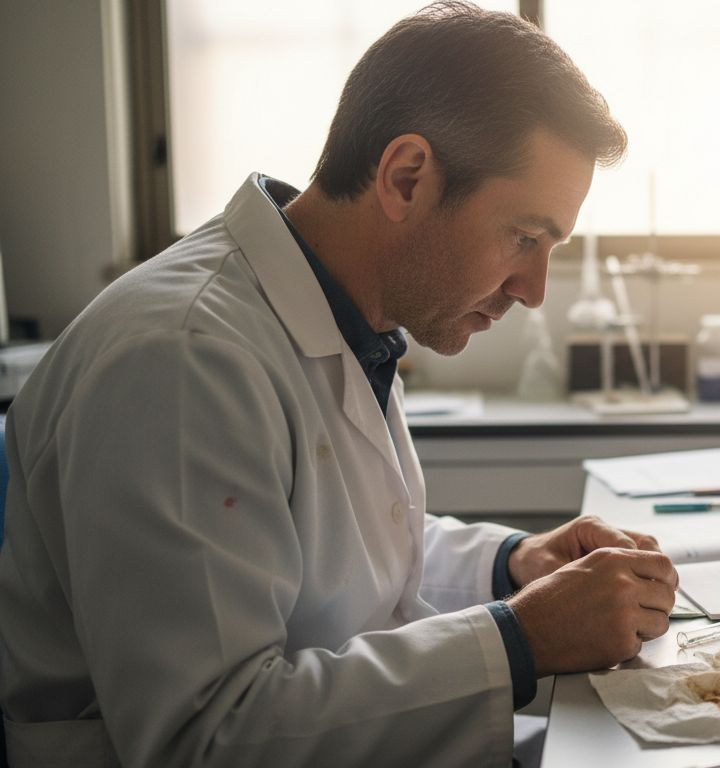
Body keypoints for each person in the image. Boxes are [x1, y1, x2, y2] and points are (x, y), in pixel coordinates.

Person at [0, 3, 678, 766]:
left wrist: (514, 565)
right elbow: (206, 738)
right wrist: (519, 641)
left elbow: (333, 561)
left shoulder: (345, 319)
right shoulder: (182, 362)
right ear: (406, 178)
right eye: (524, 236)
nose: (534, 290)